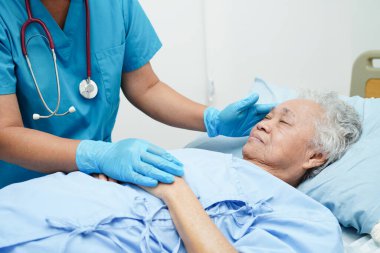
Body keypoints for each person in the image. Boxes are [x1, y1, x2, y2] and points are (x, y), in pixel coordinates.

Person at [0, 92, 361, 252]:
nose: (266, 123)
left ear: (316, 155)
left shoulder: (306, 219)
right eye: (268, 115)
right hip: (32, 203)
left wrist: (175, 191)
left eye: (284, 122)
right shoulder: (205, 157)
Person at [0, 0, 274, 188]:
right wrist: (96, 154)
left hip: (98, 181)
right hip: (20, 188)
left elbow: (146, 87)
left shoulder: (113, 5)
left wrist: (212, 119)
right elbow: (5, 132)